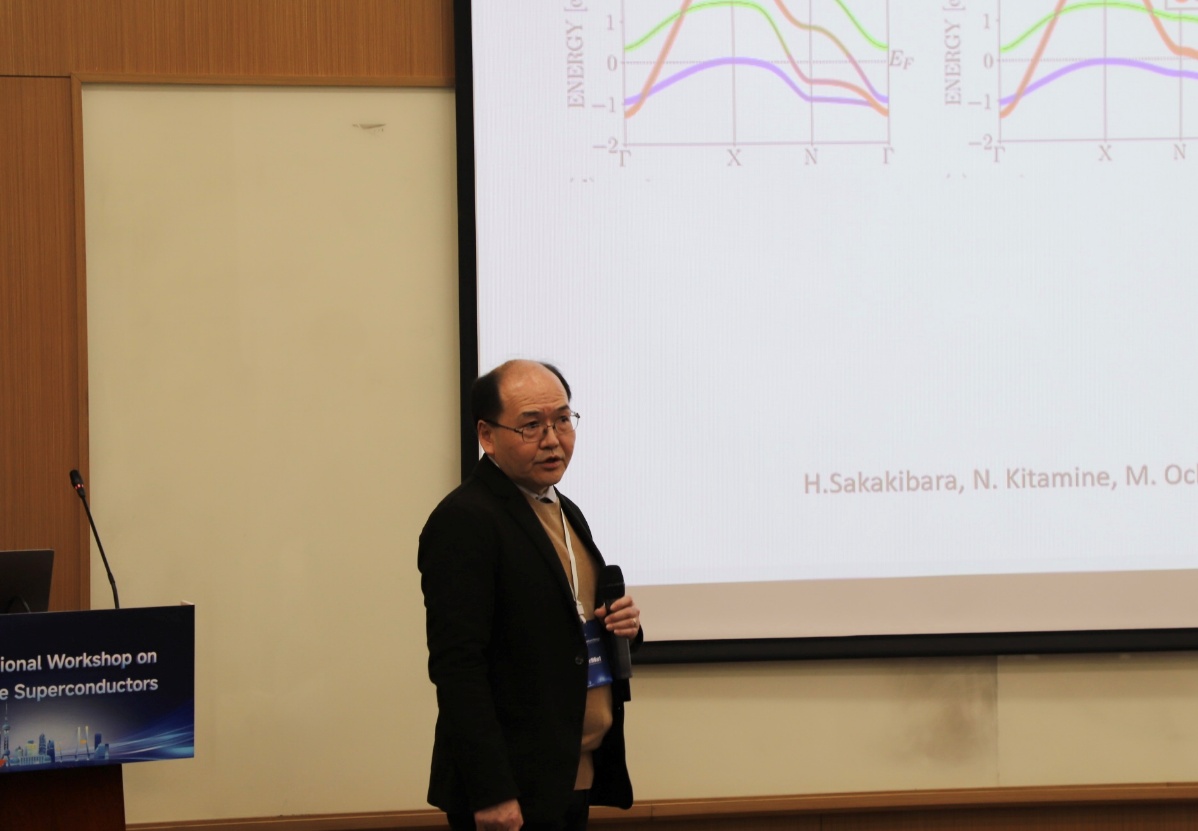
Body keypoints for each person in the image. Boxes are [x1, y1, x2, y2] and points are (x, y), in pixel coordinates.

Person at [419, 359, 642, 831]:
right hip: (512, 789)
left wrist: (622, 627)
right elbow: (458, 666)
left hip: (567, 773)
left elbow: (563, 626)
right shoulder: (466, 520)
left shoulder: (563, 508)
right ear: (487, 435)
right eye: (531, 425)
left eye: (563, 420)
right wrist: (492, 792)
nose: (552, 439)